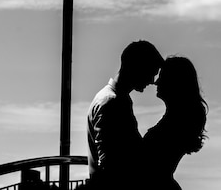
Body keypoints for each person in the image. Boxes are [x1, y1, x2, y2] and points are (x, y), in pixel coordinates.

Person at [87, 40, 163, 188]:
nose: (152, 81)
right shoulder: (112, 103)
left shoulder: (113, 99)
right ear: (136, 67)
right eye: (150, 73)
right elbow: (109, 163)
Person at [143, 56, 208, 190]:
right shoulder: (177, 120)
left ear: (174, 82)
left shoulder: (175, 124)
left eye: (162, 77)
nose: (157, 82)